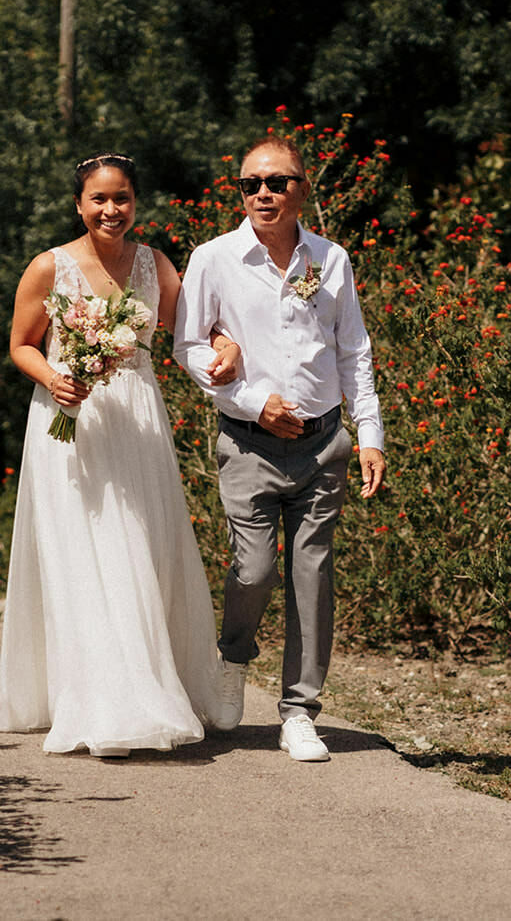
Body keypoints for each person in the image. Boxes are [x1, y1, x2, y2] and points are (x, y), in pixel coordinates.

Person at [0, 153, 237, 757]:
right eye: (99, 199)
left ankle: (149, 687)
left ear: (134, 203)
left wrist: (225, 341)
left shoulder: (155, 264)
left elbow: (189, 326)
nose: (111, 210)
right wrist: (52, 376)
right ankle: (100, 699)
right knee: (83, 553)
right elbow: (20, 345)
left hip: (138, 423)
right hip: (70, 422)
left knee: (141, 548)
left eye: (121, 198)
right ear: (79, 204)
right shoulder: (49, 267)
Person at [173, 135, 386, 762]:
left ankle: (299, 710)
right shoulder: (214, 259)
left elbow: (354, 350)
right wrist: (249, 400)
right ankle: (233, 657)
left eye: (278, 182)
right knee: (256, 568)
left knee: (312, 573)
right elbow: (187, 347)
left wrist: (369, 434)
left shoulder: (331, 259)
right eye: (251, 184)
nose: (264, 194)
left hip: (324, 444)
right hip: (249, 445)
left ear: (303, 188)